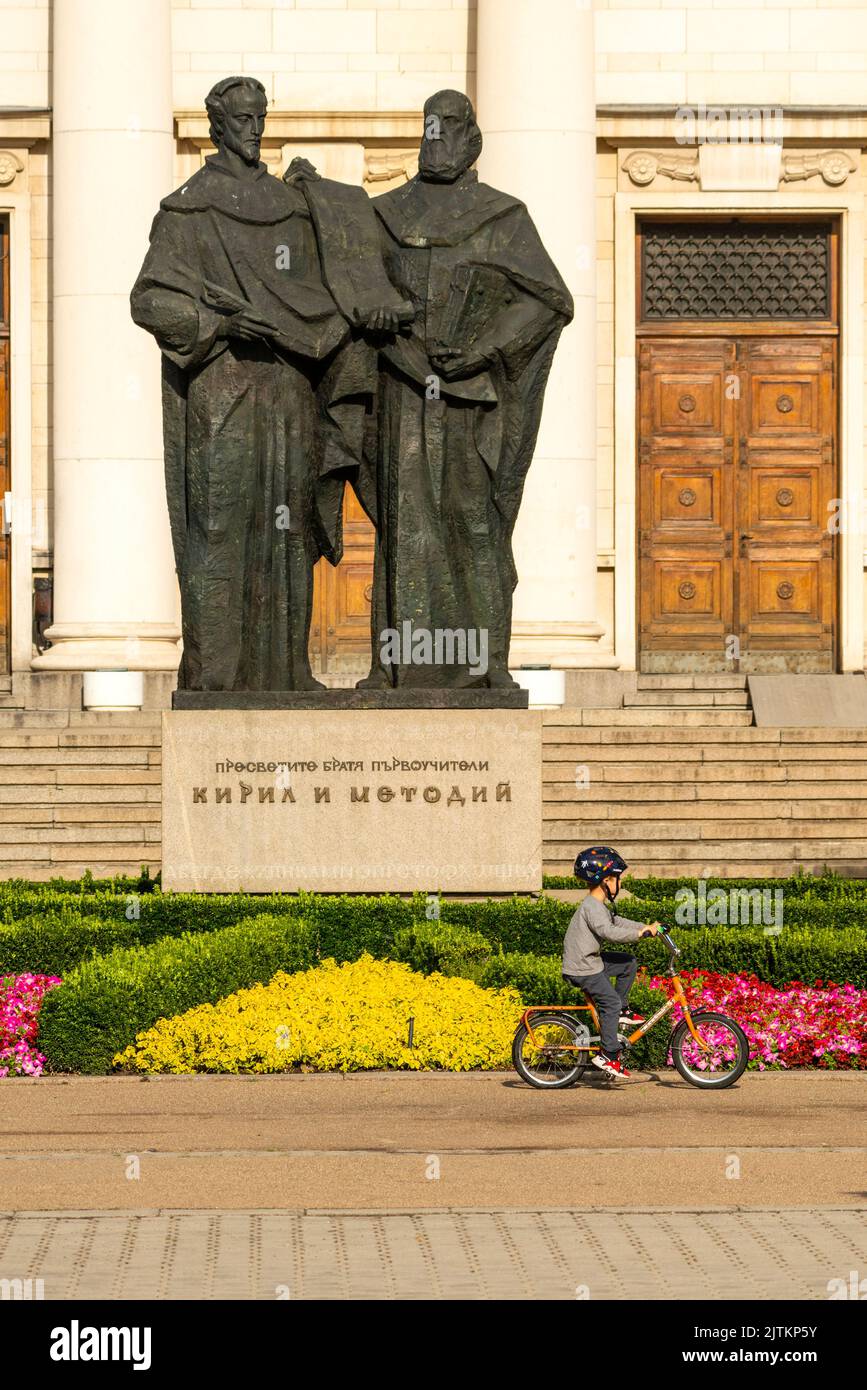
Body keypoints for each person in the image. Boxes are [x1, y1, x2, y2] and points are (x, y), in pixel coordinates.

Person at [562, 846, 660, 1080]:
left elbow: (617, 920)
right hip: (583, 967)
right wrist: (639, 935)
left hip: (590, 960)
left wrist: (645, 926)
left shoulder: (597, 906)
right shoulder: (591, 906)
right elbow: (608, 931)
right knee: (610, 1003)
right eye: (617, 878)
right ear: (606, 880)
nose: (619, 884)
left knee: (627, 963)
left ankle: (623, 1009)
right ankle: (608, 1055)